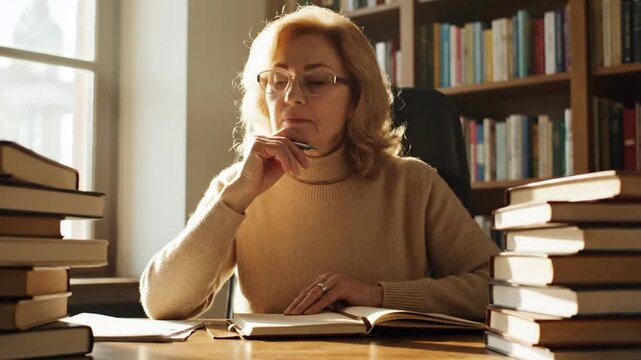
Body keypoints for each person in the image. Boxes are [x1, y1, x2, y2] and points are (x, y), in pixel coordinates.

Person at [140, 5, 499, 321]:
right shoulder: (239, 186)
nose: (292, 96)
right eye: (277, 81)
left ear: (357, 96)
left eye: (315, 81)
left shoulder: (412, 184)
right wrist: (233, 200)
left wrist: (378, 296)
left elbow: (497, 286)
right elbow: (161, 303)